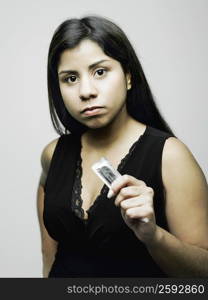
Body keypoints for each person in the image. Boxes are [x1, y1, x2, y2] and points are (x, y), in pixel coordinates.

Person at [36, 15, 208, 278]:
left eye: (100, 72)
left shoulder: (170, 156)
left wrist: (153, 236)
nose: (86, 91)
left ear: (128, 76)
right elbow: (49, 254)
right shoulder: (52, 154)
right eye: (70, 78)